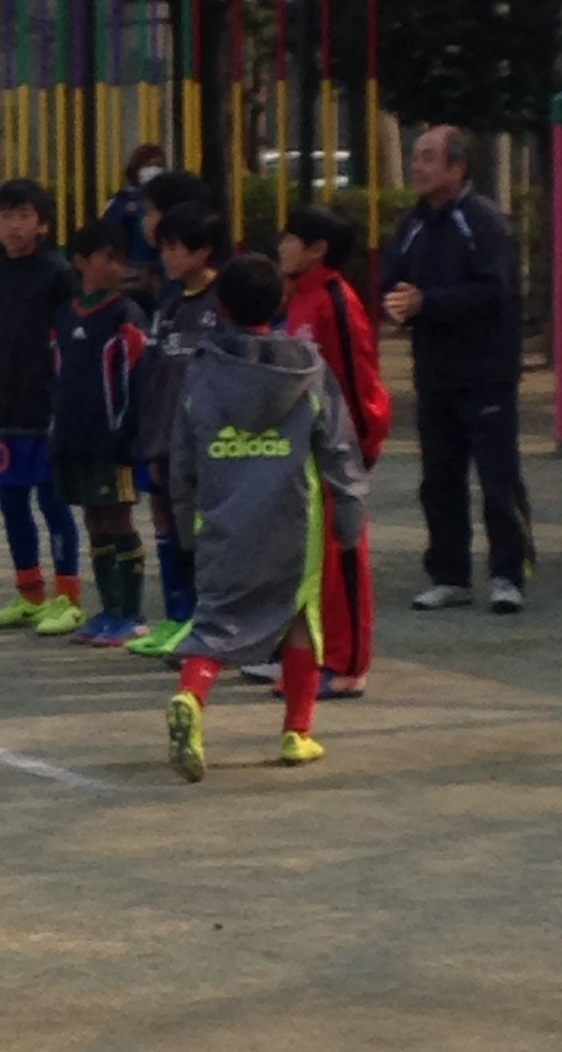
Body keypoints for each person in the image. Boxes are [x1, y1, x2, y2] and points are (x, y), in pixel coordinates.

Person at [165, 254, 368, 782]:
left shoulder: (203, 371)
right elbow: (338, 447)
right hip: (292, 519)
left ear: (221, 307)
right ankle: (296, 732)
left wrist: (185, 523)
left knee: (216, 620)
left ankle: (191, 695)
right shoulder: (308, 369)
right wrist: (349, 515)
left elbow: (182, 455)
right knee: (299, 618)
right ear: (279, 303)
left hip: (223, 518)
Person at [242, 205, 392, 696]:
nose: (281, 245)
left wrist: (359, 448)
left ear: (317, 249)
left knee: (344, 553)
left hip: (339, 448)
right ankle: (305, 655)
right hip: (305, 447)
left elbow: (358, 378)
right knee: (307, 558)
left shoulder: (335, 301)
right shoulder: (301, 298)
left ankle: (348, 666)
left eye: (291, 238)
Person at [383, 125, 534, 613]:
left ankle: (509, 575)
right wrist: (397, 303)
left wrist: (428, 302)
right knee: (438, 479)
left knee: (497, 478)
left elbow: (493, 292)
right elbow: (392, 281)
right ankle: (450, 576)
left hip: (486, 373)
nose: (417, 166)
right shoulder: (412, 224)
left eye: (429, 157)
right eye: (416, 156)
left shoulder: (484, 221)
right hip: (434, 373)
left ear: (457, 166)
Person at [0, 179, 84, 637]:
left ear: (42, 224)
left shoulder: (58, 275)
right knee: (12, 502)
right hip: (9, 410)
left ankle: (68, 598)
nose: (14, 226)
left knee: (52, 501)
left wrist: (64, 396)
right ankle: (29, 594)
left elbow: (70, 341)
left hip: (48, 410)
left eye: (23, 216)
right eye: (5, 216)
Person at [126, 200, 225, 660]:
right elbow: (154, 374)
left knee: (201, 528)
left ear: (203, 251)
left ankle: (206, 620)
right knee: (165, 521)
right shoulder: (168, 302)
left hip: (204, 440)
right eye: (163, 247)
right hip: (163, 438)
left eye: (175, 248)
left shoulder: (221, 302)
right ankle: (176, 614)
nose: (166, 256)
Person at [50, 220, 150, 647]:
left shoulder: (126, 314)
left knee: (118, 516)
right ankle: (108, 610)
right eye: (106, 258)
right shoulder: (64, 316)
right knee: (93, 518)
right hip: (75, 438)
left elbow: (137, 378)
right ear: (80, 261)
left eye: (120, 260)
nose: (115, 267)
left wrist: (129, 434)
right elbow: (57, 377)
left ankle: (132, 613)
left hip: (114, 442)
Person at [103, 143, 167, 312]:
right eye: (148, 165)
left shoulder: (168, 200)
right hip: (132, 276)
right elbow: (109, 233)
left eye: (158, 165)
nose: (153, 170)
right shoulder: (122, 201)